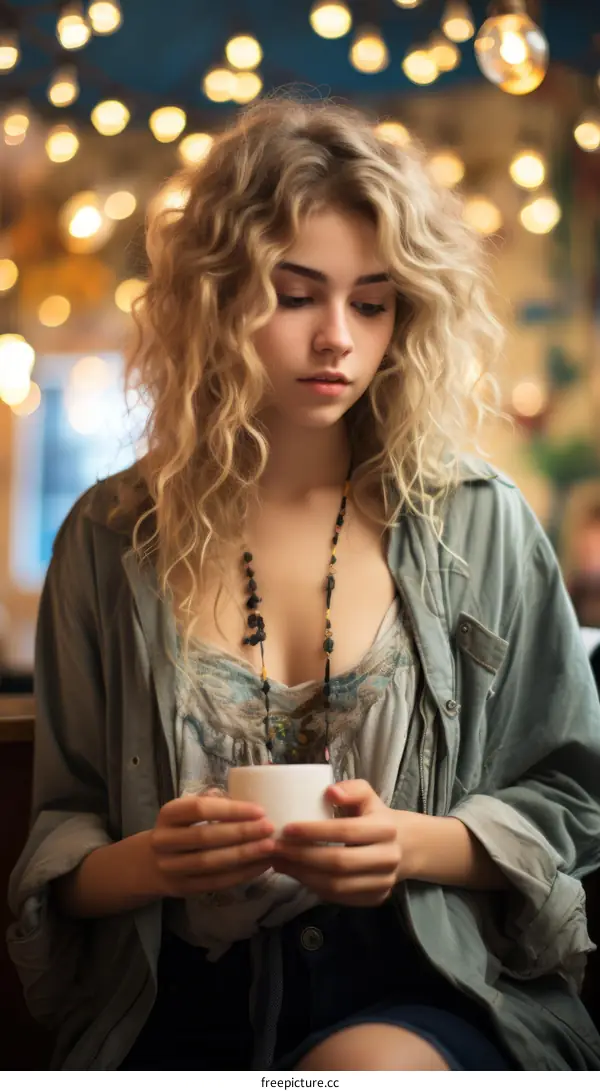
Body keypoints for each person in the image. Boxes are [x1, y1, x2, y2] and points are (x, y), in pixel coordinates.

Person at [7, 97, 600, 1072]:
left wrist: (412, 843)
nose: (339, 338)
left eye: (371, 301)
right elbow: (61, 836)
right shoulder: (110, 538)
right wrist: (152, 860)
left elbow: (574, 795)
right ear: (215, 295)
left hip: (423, 986)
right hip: (171, 1003)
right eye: (296, 293)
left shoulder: (480, 521)